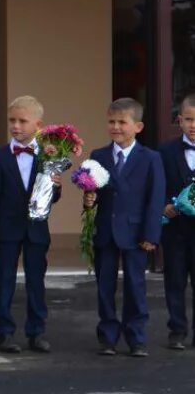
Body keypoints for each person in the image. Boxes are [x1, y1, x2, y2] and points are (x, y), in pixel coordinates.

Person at [84, 97, 165, 357]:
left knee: (135, 285)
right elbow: (94, 194)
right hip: (106, 231)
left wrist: (151, 234)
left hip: (135, 232)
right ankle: (107, 336)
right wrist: (89, 200)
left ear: (138, 127)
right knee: (105, 286)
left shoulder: (150, 158)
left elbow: (155, 198)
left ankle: (136, 336)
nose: (116, 127)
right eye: (111, 121)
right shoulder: (98, 156)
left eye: (122, 122)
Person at [0, 95, 62, 354]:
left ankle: (37, 332)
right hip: (7, 229)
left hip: (36, 229)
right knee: (4, 280)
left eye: (22, 121)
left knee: (36, 281)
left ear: (38, 125)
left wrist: (56, 185)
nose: (16, 126)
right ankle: (4, 333)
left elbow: (54, 197)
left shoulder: (49, 155)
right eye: (12, 120)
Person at [160, 93, 195, 350]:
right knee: (174, 280)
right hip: (175, 229)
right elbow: (156, 184)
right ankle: (177, 331)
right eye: (189, 119)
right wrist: (164, 205)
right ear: (179, 120)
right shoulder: (165, 151)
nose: (193, 125)